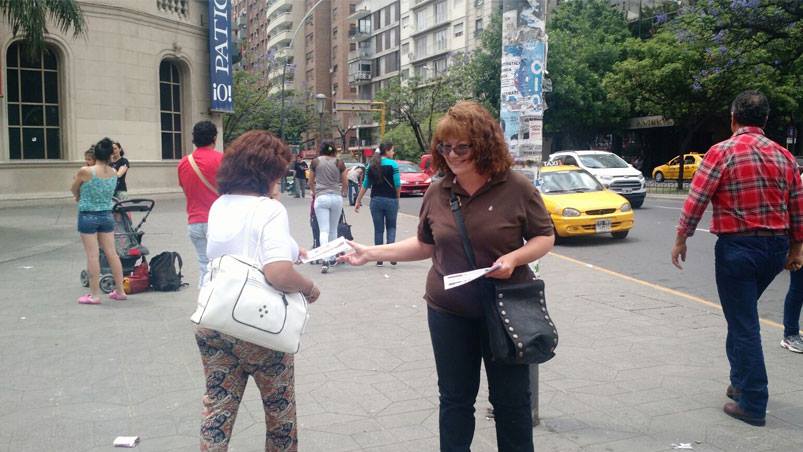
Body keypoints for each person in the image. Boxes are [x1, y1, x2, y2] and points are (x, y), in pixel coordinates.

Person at [339, 101, 554, 451]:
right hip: (449, 311)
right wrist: (371, 252)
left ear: (484, 145)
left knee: (511, 402)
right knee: (455, 400)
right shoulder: (438, 191)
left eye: (462, 147)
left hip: (505, 310)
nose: (452, 154)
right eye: (445, 147)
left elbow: (545, 236)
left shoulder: (515, 187)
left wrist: (514, 258)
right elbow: (425, 245)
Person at [671, 90, 803, 427]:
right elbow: (797, 207)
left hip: (738, 251)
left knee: (744, 324)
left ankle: (753, 402)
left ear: (733, 119)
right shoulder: (785, 156)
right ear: (766, 121)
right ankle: (740, 381)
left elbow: (697, 198)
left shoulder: (721, 152)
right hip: (774, 251)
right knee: (741, 316)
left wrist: (681, 238)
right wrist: (796, 248)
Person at [196, 130, 320, 452]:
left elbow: (243, 246)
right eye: (278, 175)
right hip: (257, 325)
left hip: (214, 320)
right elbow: (276, 272)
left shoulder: (220, 204)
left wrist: (295, 249)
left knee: (217, 410)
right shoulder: (269, 210)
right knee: (280, 414)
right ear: (267, 173)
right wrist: (308, 287)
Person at [70, 138, 128, 304]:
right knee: (112, 253)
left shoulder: (86, 171)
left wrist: (78, 195)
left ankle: (94, 295)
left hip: (87, 215)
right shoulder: (113, 173)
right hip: (106, 215)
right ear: (110, 154)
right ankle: (120, 290)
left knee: (92, 255)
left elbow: (74, 188)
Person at [178, 121, 223, 287]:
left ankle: (204, 305)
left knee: (204, 265)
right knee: (223, 266)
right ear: (214, 138)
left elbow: (186, 191)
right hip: (219, 221)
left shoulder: (184, 163)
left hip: (195, 221)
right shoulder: (222, 160)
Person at [354, 142, 400, 267]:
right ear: (387, 151)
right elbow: (397, 184)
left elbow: (365, 184)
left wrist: (358, 200)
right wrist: (397, 198)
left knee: (378, 230)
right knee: (391, 227)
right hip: (391, 200)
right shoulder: (393, 165)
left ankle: (379, 259)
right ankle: (392, 257)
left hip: (375, 201)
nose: (393, 152)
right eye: (392, 150)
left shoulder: (371, 165)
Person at [309, 141, 348, 273]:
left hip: (321, 197)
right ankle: (332, 257)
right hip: (336, 198)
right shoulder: (339, 162)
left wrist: (314, 191)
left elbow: (310, 181)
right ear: (333, 150)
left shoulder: (315, 162)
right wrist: (343, 192)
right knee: (333, 229)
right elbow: (345, 181)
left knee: (323, 230)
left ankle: (324, 259)